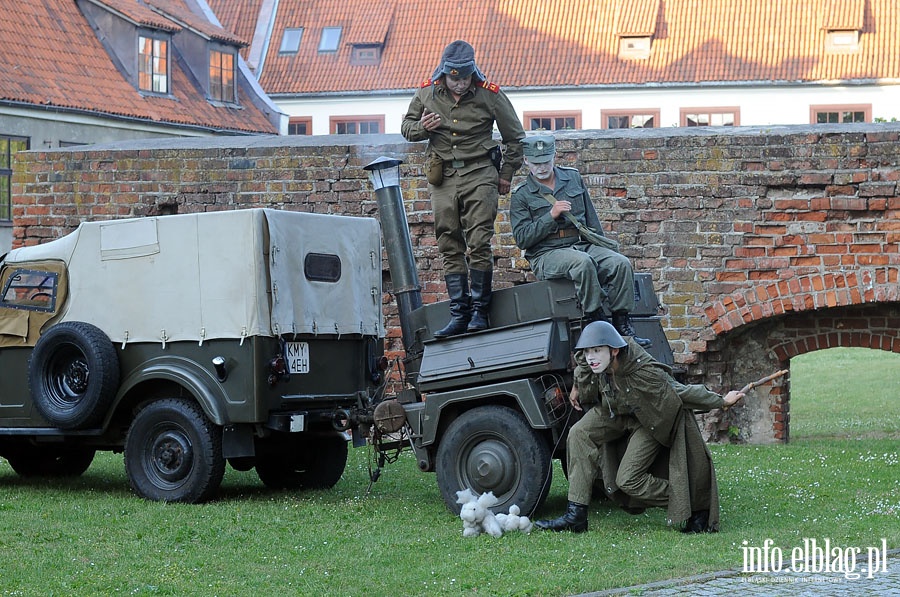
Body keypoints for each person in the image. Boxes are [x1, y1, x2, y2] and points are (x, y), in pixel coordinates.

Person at [535, 320, 745, 533]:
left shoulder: (642, 369)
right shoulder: (593, 360)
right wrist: (578, 387)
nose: (591, 357)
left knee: (627, 479)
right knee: (578, 433)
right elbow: (581, 358)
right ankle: (576, 515)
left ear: (614, 350)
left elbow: (678, 391)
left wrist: (721, 400)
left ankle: (687, 500)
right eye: (589, 351)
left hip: (646, 421)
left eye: (597, 351)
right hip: (614, 412)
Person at [401, 40, 525, 337]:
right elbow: (407, 127)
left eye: (465, 78)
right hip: (443, 178)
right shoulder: (426, 92)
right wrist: (423, 129)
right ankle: (460, 312)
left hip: (480, 173)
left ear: (473, 74)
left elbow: (515, 138)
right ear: (444, 73)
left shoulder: (490, 95)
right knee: (448, 241)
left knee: (479, 241)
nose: (459, 84)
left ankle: (480, 311)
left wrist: (505, 174)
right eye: (454, 78)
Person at [510, 134, 651, 347]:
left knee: (619, 263)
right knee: (582, 263)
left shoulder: (572, 178)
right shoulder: (521, 195)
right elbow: (522, 239)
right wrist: (551, 215)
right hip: (546, 253)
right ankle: (596, 319)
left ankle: (622, 323)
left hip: (581, 244)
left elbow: (591, 219)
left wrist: (602, 246)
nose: (541, 167)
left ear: (554, 156)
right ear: (526, 161)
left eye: (546, 161)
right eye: (536, 163)